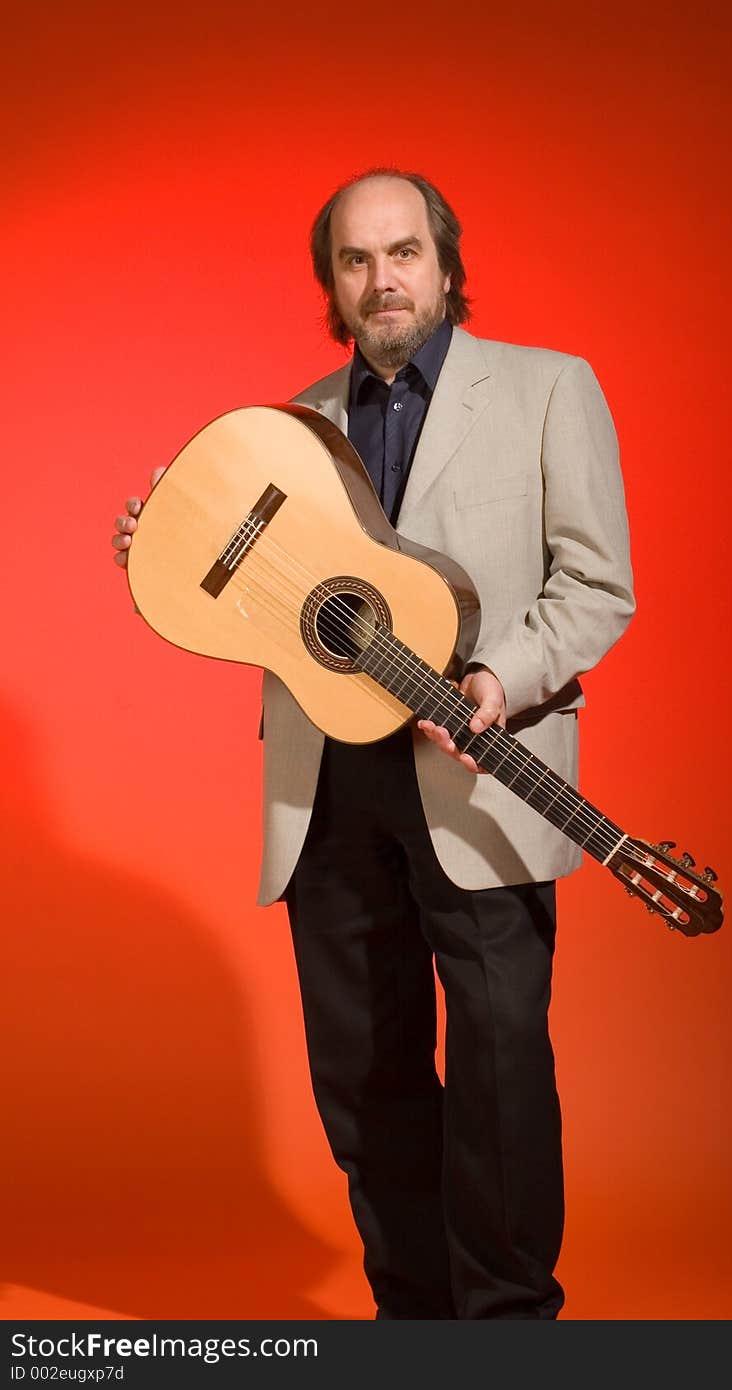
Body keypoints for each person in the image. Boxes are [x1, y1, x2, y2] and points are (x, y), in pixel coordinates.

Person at [111, 168, 635, 1320]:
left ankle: (503, 1325)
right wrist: (168, 551)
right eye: (355, 262)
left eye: (402, 253)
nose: (381, 278)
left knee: (498, 1074)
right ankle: (412, 1321)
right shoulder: (290, 427)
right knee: (365, 1078)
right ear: (332, 286)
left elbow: (598, 585)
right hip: (329, 786)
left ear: (445, 265)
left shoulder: (549, 390)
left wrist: (500, 676)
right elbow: (245, 599)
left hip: (478, 773)